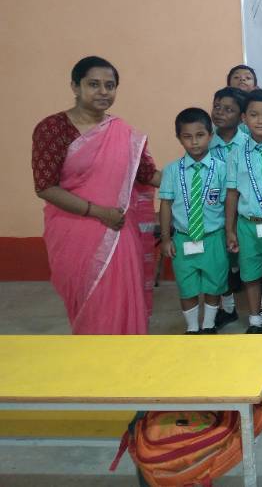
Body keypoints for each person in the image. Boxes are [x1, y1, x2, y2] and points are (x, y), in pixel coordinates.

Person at [32, 56, 160, 334]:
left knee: (120, 302)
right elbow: (45, 186)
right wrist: (98, 212)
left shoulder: (123, 132)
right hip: (75, 231)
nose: (103, 92)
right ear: (75, 86)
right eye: (94, 84)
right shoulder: (53, 129)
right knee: (89, 305)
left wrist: (196, 177)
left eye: (109, 86)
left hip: (119, 232)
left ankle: (124, 356)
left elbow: (147, 174)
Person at [159, 108, 228, 334]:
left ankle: (208, 324)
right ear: (179, 138)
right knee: (186, 286)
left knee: (213, 283)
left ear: (210, 135)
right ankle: (192, 327)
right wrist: (166, 239)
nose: (194, 142)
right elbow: (166, 205)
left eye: (200, 135)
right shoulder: (171, 170)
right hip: (183, 239)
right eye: (187, 137)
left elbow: (228, 204)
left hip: (213, 237)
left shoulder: (221, 169)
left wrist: (230, 233)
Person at [224, 89, 262, 334]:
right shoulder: (236, 153)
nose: (260, 120)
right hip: (247, 224)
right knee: (250, 274)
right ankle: (255, 319)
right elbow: (232, 193)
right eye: (254, 115)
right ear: (244, 118)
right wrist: (230, 230)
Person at [208, 87, 248, 328]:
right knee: (219, 262)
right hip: (213, 211)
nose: (220, 113)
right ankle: (228, 308)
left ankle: (257, 310)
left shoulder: (247, 144)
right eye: (217, 107)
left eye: (228, 109)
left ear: (241, 116)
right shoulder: (205, 141)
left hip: (243, 210)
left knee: (247, 264)